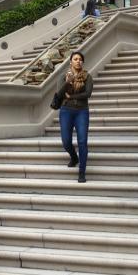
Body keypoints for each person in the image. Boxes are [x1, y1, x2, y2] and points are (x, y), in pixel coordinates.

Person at [57, 52, 93, 183]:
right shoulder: (63, 77)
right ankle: (74, 157)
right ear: (70, 62)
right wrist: (67, 82)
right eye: (75, 59)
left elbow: (87, 93)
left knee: (82, 142)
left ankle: (82, 172)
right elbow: (59, 95)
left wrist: (71, 96)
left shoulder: (87, 77)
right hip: (66, 111)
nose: (78, 61)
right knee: (66, 141)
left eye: (80, 59)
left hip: (82, 111)